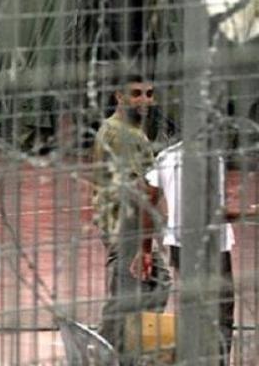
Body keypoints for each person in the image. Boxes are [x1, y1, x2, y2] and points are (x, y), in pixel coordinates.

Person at [146, 139, 259, 365]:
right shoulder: (210, 158)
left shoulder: (166, 156)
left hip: (179, 244)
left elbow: (147, 201)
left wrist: (144, 248)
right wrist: (254, 212)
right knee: (220, 314)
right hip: (211, 247)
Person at [91, 73, 170, 359]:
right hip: (126, 225)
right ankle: (108, 350)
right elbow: (140, 189)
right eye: (136, 93)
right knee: (132, 291)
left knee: (149, 285)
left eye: (149, 93)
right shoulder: (122, 134)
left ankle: (124, 345)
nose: (145, 100)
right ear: (119, 97)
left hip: (124, 222)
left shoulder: (126, 131)